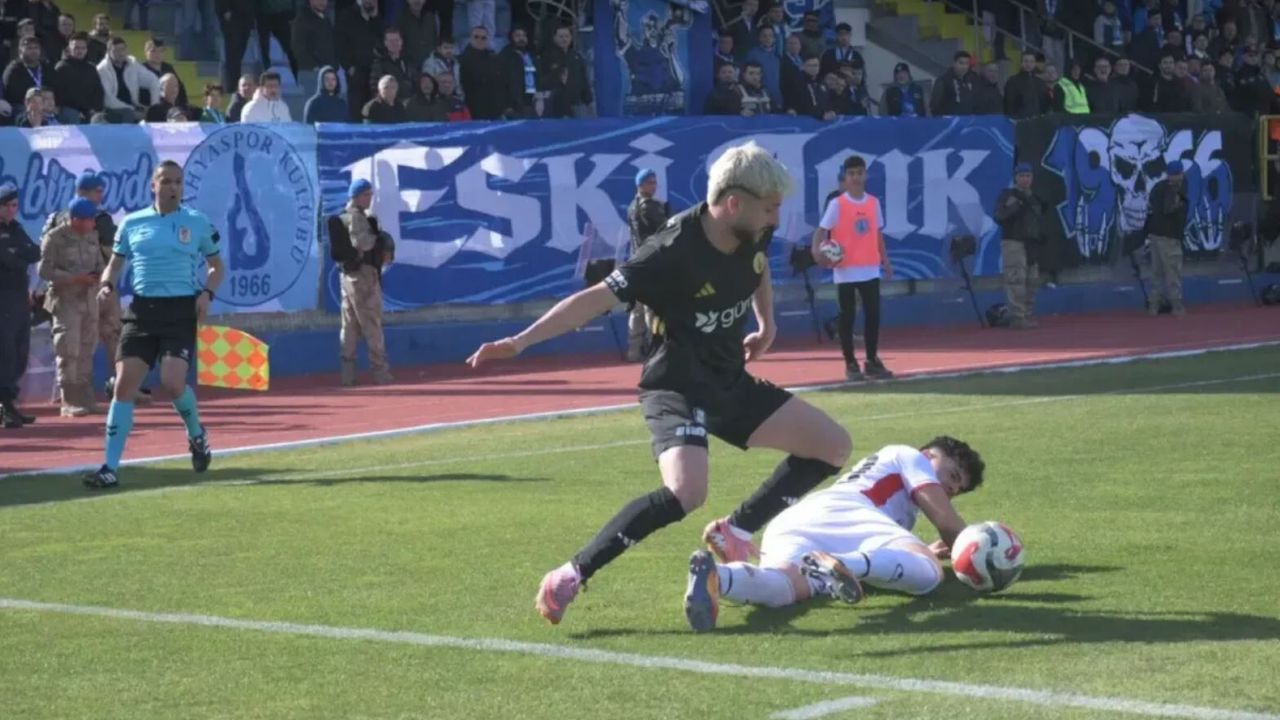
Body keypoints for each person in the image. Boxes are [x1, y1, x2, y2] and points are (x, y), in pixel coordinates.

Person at [467, 142, 853, 626]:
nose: (776, 218)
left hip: (728, 379)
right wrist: (519, 342)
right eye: (770, 208)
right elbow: (594, 299)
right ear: (734, 203)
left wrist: (766, 323)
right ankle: (572, 573)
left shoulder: (752, 226)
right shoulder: (670, 251)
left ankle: (735, 530)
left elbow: (757, 268)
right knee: (687, 491)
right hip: (676, 385)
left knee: (833, 446)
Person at [683, 437, 985, 630]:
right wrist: (977, 556)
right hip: (848, 512)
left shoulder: (901, 511)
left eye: (957, 490)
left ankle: (717, 578)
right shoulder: (909, 456)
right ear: (928, 455)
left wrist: (923, 551)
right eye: (952, 475)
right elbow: (948, 524)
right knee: (930, 575)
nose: (951, 488)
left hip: (799, 520)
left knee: (783, 588)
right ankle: (842, 562)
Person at [87, 161, 224, 489]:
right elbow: (114, 265)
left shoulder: (196, 222)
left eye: (178, 181)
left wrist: (207, 293)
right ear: (154, 185)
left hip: (179, 311)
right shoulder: (132, 223)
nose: (173, 187)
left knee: (172, 383)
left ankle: (197, 434)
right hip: (142, 312)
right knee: (123, 386)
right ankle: (109, 468)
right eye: (166, 181)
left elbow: (217, 267)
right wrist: (106, 285)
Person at [812, 155, 893, 381]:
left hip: (870, 268)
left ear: (865, 175)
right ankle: (850, 363)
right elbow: (821, 230)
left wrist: (885, 260)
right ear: (845, 178)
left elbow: (877, 234)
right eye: (851, 174)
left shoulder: (873, 203)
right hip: (845, 270)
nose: (855, 177)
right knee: (847, 318)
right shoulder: (837, 204)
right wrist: (816, 251)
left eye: (859, 173)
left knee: (873, 316)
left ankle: (872, 360)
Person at [38, 197, 104, 417]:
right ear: (76, 219)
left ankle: (86, 397)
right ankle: (69, 400)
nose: (92, 224)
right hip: (66, 300)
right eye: (89, 220)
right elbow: (44, 271)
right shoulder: (55, 238)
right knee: (68, 349)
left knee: (87, 348)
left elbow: (101, 263)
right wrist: (75, 278)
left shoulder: (93, 236)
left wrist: (99, 276)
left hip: (89, 299)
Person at [328, 179, 394, 386]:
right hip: (363, 276)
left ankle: (348, 375)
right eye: (367, 194)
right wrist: (379, 238)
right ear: (356, 196)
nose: (370, 198)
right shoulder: (357, 217)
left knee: (350, 327)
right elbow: (362, 243)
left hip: (348, 277)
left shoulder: (345, 216)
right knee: (372, 324)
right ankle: (381, 372)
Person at [0, 183, 41, 429]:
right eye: (6, 205)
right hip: (2, 297)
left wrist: (16, 254)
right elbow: (8, 259)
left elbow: (34, 253)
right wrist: (17, 255)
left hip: (18, 296)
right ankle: (4, 406)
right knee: (4, 352)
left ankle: (10, 403)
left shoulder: (16, 228)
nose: (11, 210)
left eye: (14, 205)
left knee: (19, 350)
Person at [624, 168, 670, 362]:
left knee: (637, 309)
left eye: (654, 182)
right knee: (651, 307)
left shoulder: (632, 206)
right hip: (649, 261)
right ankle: (655, 348)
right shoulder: (648, 207)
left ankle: (634, 350)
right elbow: (665, 230)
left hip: (635, 261)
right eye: (650, 182)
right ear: (640, 185)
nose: (654, 186)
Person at [993, 162, 1046, 329]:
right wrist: (1014, 206)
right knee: (1016, 279)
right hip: (1013, 241)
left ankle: (1027, 314)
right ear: (1016, 178)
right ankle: (1017, 316)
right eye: (1022, 176)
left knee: (1032, 280)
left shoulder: (1035, 198)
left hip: (1032, 243)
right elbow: (999, 216)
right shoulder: (1008, 195)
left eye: (1028, 176)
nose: (1025, 179)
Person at [1145, 160, 1187, 316]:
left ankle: (1154, 306)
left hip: (1155, 235)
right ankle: (1177, 306)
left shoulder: (1157, 187)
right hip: (1169, 236)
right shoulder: (1173, 189)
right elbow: (1169, 208)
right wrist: (1178, 204)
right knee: (1172, 272)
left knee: (1156, 273)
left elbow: (1151, 207)